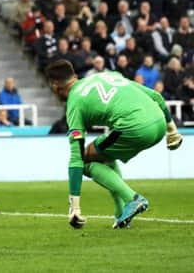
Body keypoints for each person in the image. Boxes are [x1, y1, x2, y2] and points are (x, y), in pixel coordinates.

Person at [44, 59, 183, 229]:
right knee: (103, 154)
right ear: (74, 76)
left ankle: (132, 199)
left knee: (86, 160)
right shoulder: (109, 76)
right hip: (159, 123)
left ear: (55, 86)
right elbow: (156, 96)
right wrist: (172, 130)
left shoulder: (75, 102)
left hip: (134, 128)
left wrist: (75, 207)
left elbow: (76, 157)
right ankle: (120, 213)